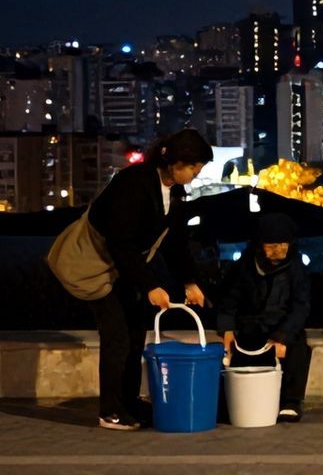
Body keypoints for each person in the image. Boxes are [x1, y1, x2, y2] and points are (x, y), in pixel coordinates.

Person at [82, 129, 212, 430]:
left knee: (135, 333)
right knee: (116, 337)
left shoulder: (175, 193)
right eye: (193, 167)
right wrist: (150, 285)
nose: (196, 173)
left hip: (127, 271)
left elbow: (174, 242)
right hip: (101, 268)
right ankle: (110, 410)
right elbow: (120, 242)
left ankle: (128, 401)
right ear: (175, 162)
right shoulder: (134, 183)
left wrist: (189, 282)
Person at [218, 213, 312, 423]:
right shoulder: (244, 267)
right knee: (230, 355)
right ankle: (232, 401)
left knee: (299, 345)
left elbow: (301, 305)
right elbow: (229, 302)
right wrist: (227, 329)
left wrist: (283, 336)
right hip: (250, 327)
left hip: (280, 327)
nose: (277, 250)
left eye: (282, 245)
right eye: (271, 245)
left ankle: (291, 402)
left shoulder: (295, 268)